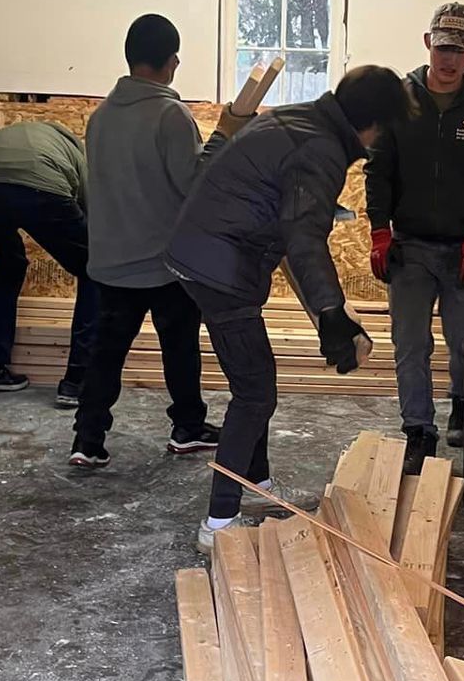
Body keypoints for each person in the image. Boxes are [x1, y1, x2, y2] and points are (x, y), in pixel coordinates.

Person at [166, 65, 412, 550]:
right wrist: (335, 317)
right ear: (374, 125)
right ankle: (218, 523)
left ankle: (254, 483)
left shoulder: (302, 119)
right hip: (220, 269)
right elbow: (303, 238)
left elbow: (288, 232)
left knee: (259, 380)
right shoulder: (319, 149)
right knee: (254, 391)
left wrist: (328, 314)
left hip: (206, 253)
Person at [69, 14, 222, 467]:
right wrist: (223, 142)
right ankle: (188, 428)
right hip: (165, 263)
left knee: (106, 353)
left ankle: (87, 439)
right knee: (179, 347)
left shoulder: (100, 118)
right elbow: (194, 183)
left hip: (113, 262)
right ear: (171, 60)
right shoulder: (171, 114)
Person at [365, 2, 464, 473]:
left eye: (460, 50)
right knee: (410, 343)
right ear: (428, 43)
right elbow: (379, 170)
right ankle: (417, 430)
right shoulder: (399, 101)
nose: (450, 60)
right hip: (410, 248)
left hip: (461, 249)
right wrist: (379, 230)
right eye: (443, 48)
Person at [0, 119, 96, 407]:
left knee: (8, 263)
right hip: (41, 185)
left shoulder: (12, 137)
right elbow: (89, 206)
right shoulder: (77, 152)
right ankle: (76, 381)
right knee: (94, 269)